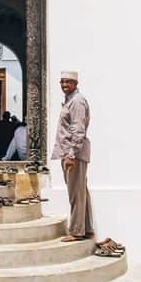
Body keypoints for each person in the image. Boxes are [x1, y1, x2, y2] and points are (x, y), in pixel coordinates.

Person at [51, 71, 94, 242]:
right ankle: (87, 229)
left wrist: (71, 155)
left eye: (68, 82)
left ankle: (76, 231)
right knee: (81, 192)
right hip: (71, 152)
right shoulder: (71, 100)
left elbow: (78, 130)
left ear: (76, 83)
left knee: (75, 193)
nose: (64, 85)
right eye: (62, 82)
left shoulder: (76, 102)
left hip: (73, 154)